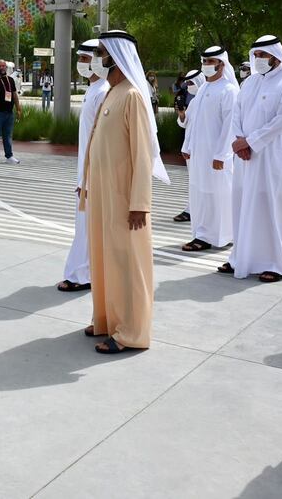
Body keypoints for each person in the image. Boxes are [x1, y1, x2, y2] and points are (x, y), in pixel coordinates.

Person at [79, 30, 169, 354]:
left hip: (124, 199)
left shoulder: (132, 95)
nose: (98, 60)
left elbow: (143, 155)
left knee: (126, 264)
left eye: (103, 53)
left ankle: (131, 332)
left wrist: (139, 204)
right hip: (104, 196)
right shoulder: (111, 93)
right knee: (104, 260)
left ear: (116, 58)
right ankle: (105, 320)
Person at [219, 35, 282, 283]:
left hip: (274, 157)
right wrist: (239, 139)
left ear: (275, 56)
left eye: (262, 56)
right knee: (243, 205)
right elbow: (237, 111)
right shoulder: (250, 83)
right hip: (246, 155)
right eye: (255, 55)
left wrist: (250, 141)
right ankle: (241, 258)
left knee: (272, 208)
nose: (257, 60)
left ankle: (276, 264)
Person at [57, 39, 110, 293]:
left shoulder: (103, 91)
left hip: (95, 173)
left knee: (88, 227)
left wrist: (88, 178)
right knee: (84, 226)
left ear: (100, 61)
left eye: (86, 59)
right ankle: (82, 271)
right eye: (79, 58)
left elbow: (102, 140)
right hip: (85, 172)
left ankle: (84, 274)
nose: (81, 64)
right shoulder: (93, 89)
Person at [178, 46, 239, 253]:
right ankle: (201, 234)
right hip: (198, 154)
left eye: (210, 62)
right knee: (199, 194)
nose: (206, 66)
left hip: (217, 156)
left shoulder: (229, 90)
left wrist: (221, 154)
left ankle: (220, 236)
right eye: (204, 61)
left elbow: (230, 126)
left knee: (219, 194)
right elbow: (193, 122)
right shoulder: (203, 89)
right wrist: (187, 146)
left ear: (222, 64)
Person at [172, 68, 205, 223]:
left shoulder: (208, 99)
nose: (189, 85)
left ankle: (202, 211)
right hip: (191, 149)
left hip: (206, 150)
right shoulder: (194, 102)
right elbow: (185, 124)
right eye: (188, 83)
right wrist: (181, 114)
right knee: (193, 182)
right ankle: (191, 210)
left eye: (192, 82)